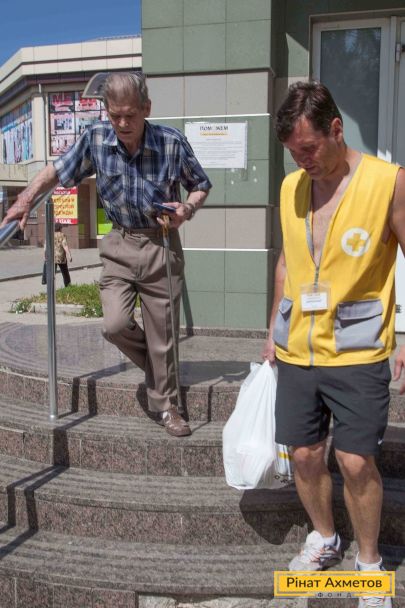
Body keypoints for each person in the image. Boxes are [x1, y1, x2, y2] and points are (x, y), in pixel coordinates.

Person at [0, 72, 212, 437]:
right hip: (118, 243)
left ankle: (167, 406)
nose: (123, 123)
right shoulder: (96, 138)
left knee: (163, 333)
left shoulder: (171, 142)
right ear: (107, 111)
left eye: (131, 115)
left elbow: (201, 184)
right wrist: (25, 200)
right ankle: (159, 371)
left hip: (161, 243)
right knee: (114, 325)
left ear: (147, 108)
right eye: (115, 116)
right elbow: (56, 171)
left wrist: (187, 209)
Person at [262, 81, 405, 608]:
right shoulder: (290, 188)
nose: (302, 161)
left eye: (309, 148)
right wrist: (271, 331)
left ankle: (369, 566)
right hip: (298, 348)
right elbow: (287, 261)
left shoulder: (388, 182)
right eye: (293, 153)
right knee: (303, 454)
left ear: (336, 129)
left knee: (355, 462)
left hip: (358, 350)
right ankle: (324, 537)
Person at [42, 222, 72, 287]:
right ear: (60, 228)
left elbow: (45, 246)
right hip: (61, 257)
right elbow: (65, 246)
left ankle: (51, 286)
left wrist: (44, 256)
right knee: (65, 272)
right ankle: (68, 286)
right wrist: (69, 255)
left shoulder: (50, 235)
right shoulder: (62, 235)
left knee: (52, 273)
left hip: (52, 257)